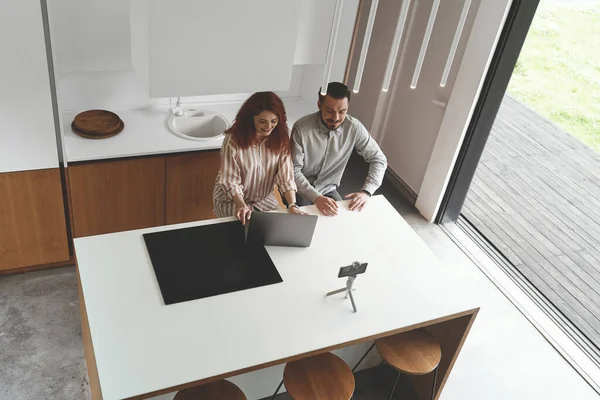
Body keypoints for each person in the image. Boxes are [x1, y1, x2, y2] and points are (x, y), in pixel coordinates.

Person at [291, 82, 387, 216]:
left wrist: (366, 192)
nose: (336, 118)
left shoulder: (354, 127)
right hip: (300, 189)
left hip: (328, 189)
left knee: (344, 222)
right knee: (305, 224)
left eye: (342, 111)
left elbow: (379, 159)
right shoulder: (301, 128)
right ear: (319, 105)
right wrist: (316, 198)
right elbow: (293, 171)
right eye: (330, 111)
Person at [213, 91, 306, 224]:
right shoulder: (233, 140)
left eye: (273, 121)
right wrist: (241, 205)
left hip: (263, 200)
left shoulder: (281, 138)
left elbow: (286, 177)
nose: (268, 127)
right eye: (262, 121)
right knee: (240, 235)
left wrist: (292, 205)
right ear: (250, 119)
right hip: (232, 200)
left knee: (280, 227)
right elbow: (230, 180)